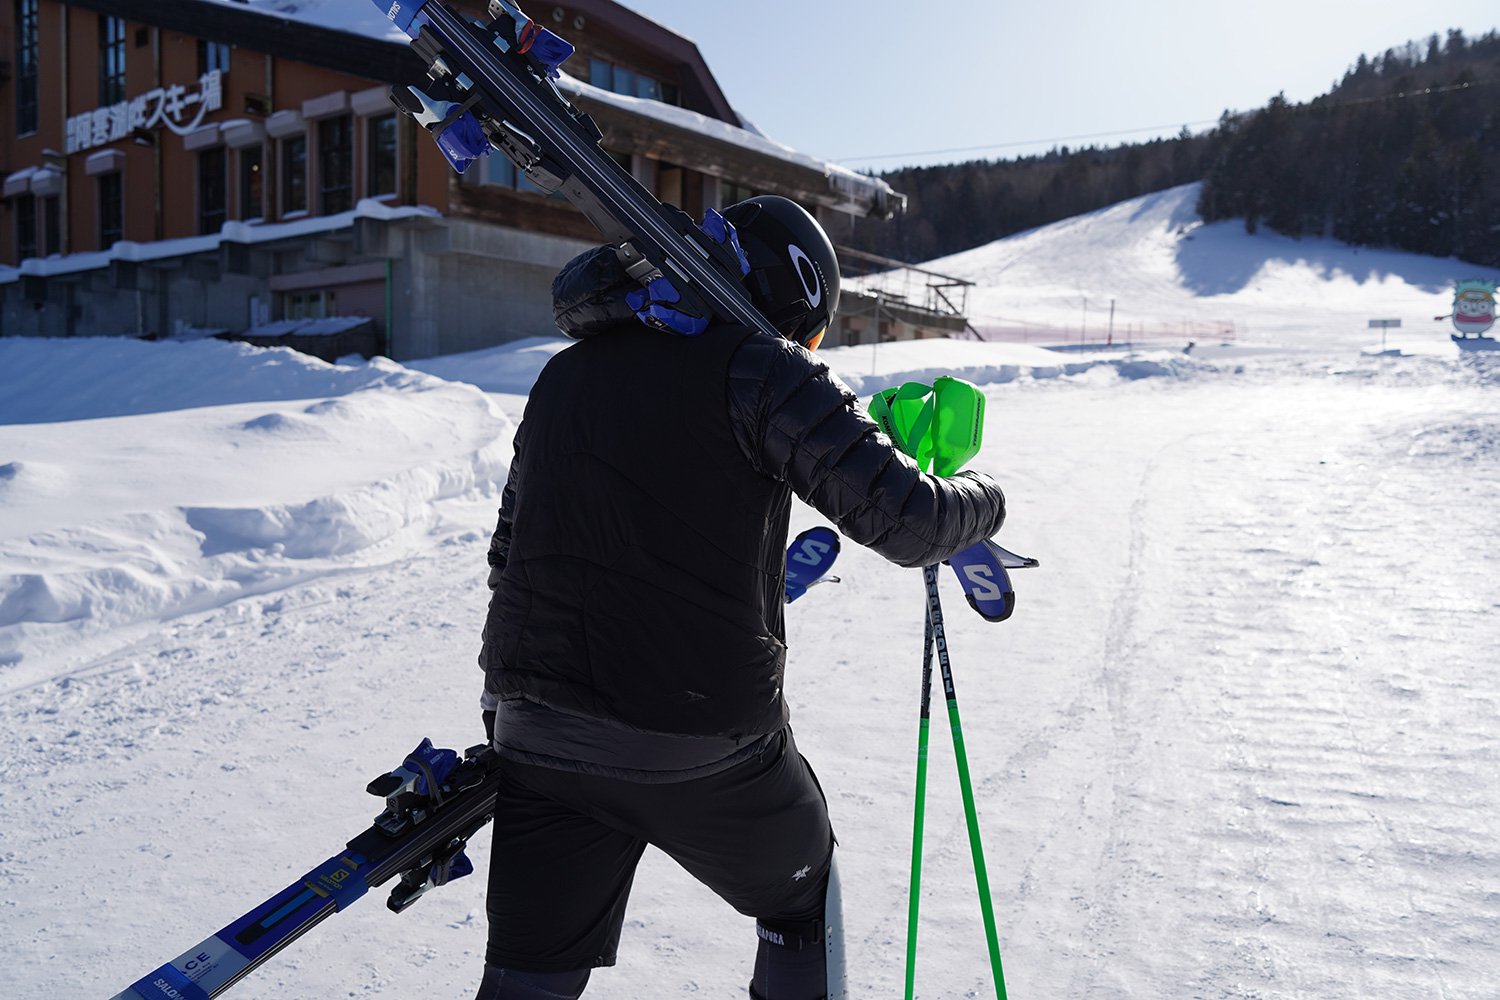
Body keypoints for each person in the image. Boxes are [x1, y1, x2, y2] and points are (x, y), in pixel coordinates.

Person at [474, 196, 1007, 1000]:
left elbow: (509, 554)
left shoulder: (564, 373)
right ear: (797, 293)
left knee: (530, 974)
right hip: (697, 740)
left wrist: (508, 716)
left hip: (534, 730)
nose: (810, 346)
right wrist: (986, 494)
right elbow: (911, 520)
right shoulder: (761, 365)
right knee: (802, 901)